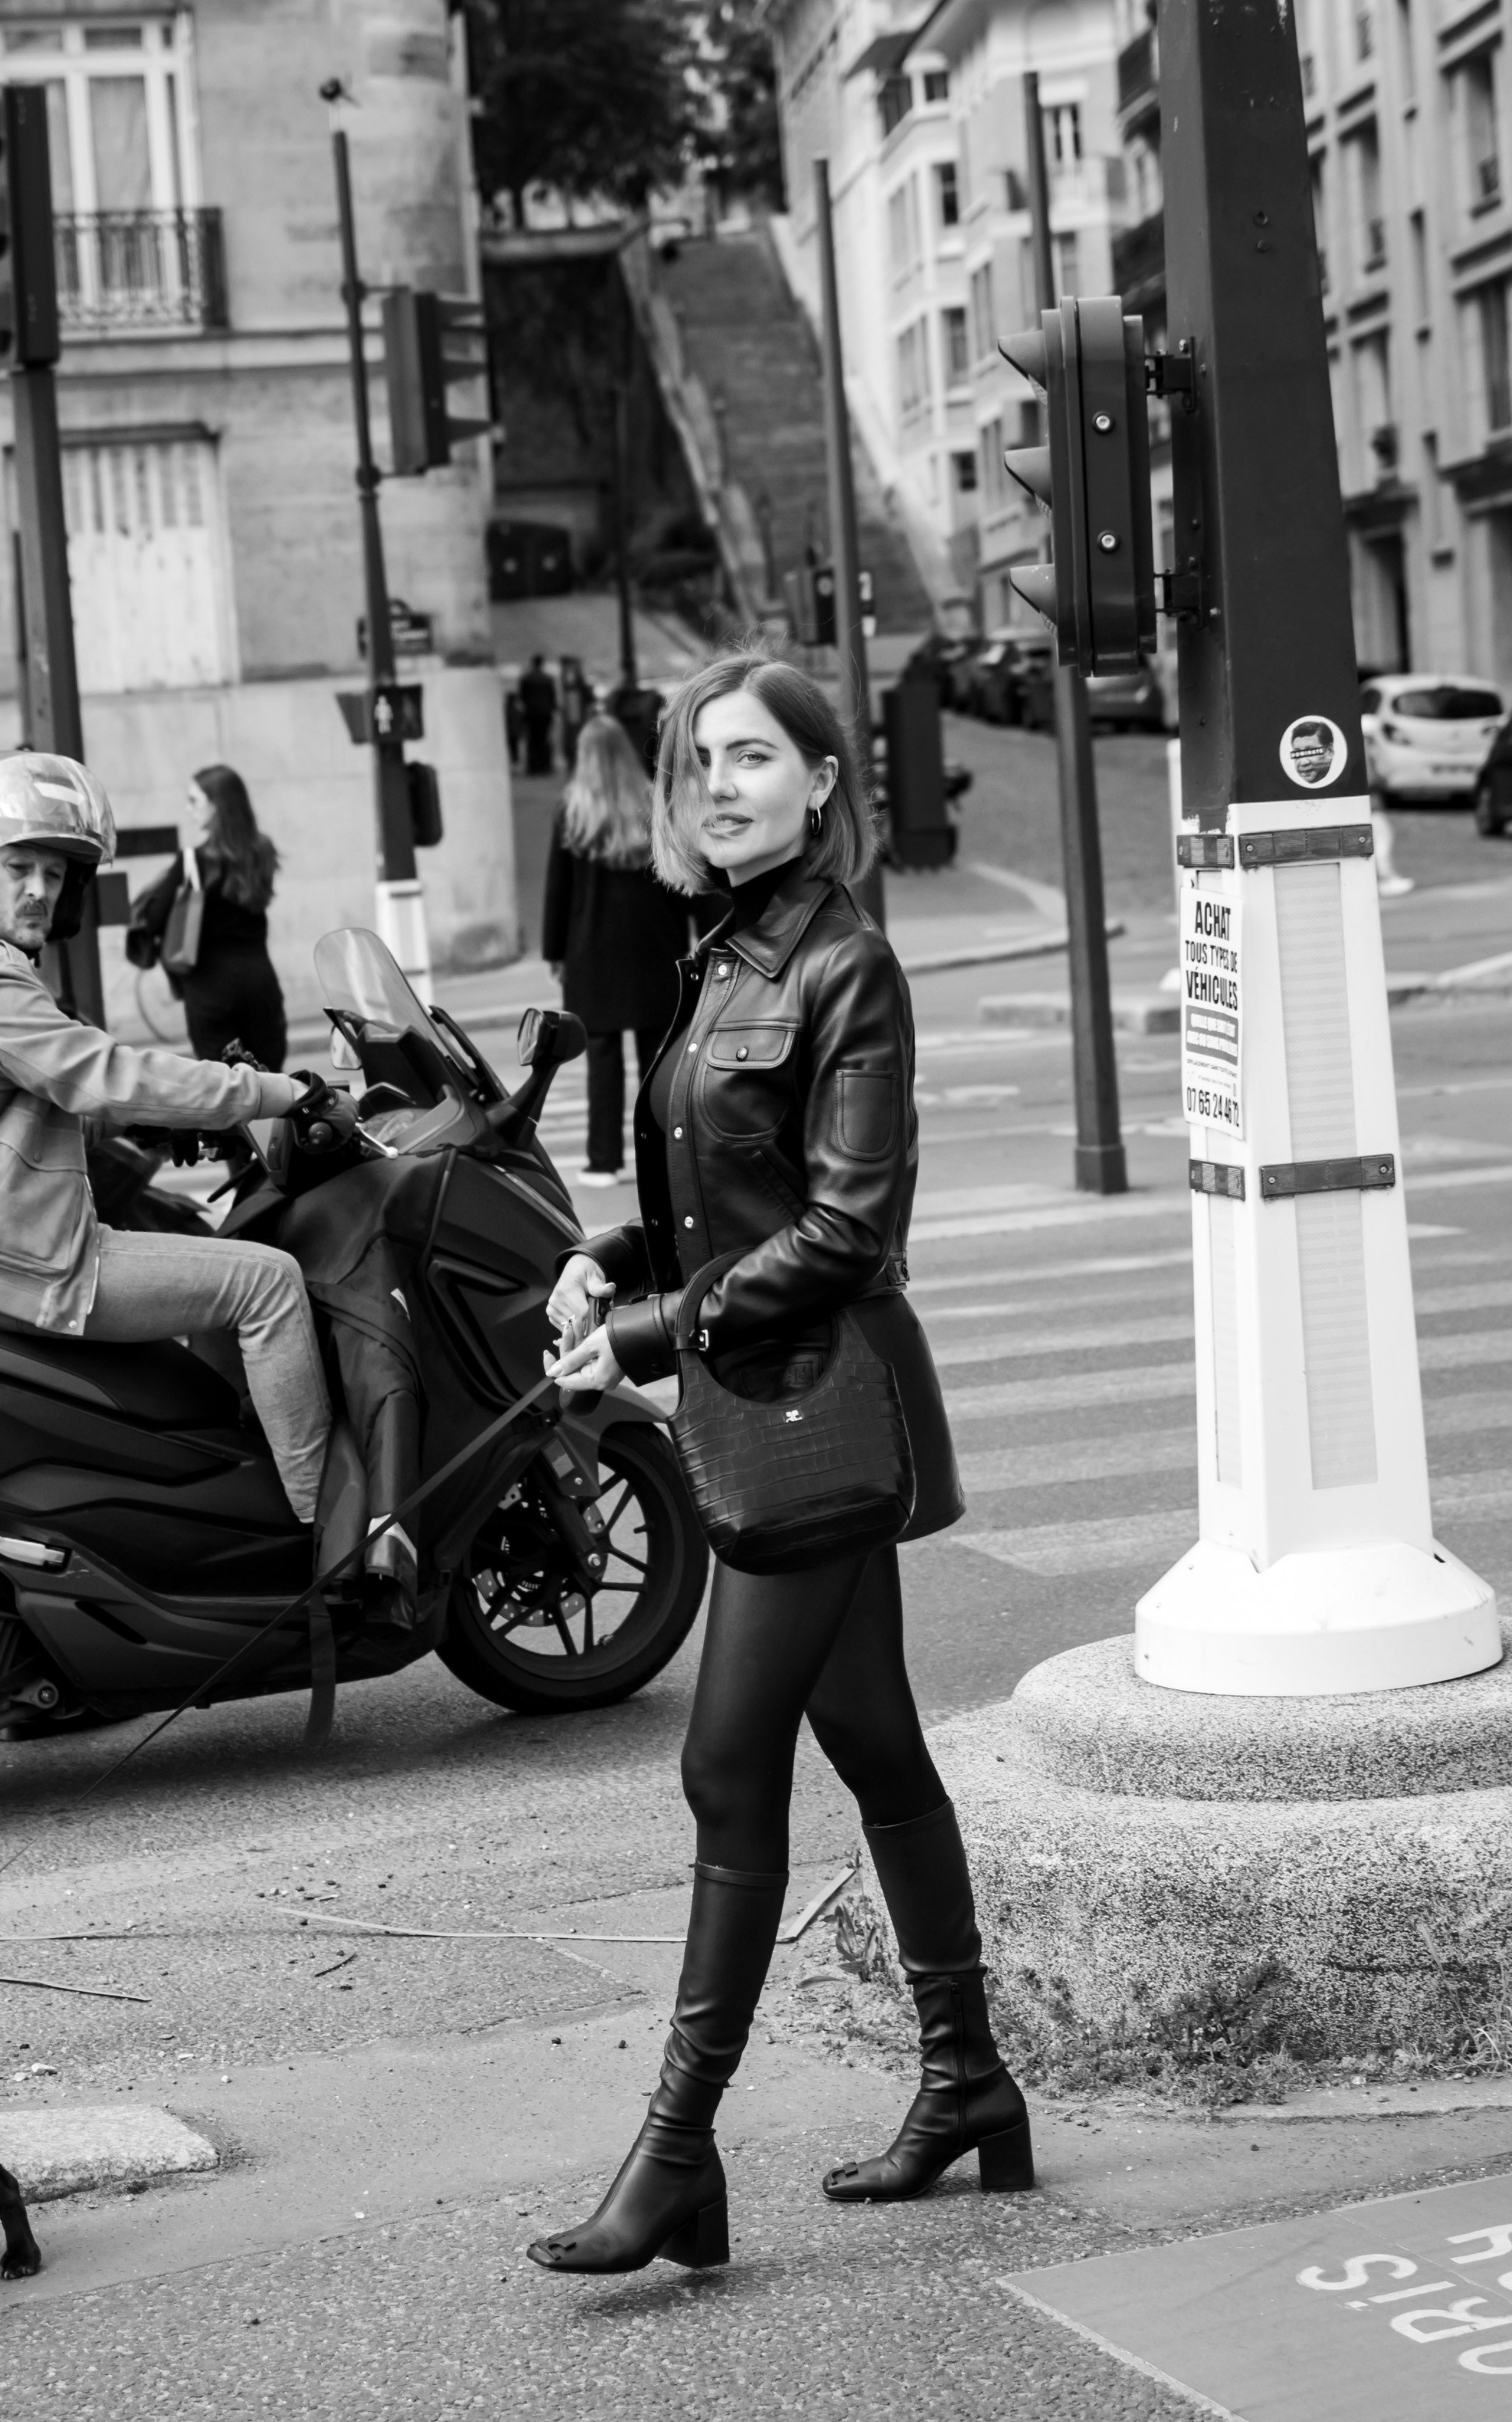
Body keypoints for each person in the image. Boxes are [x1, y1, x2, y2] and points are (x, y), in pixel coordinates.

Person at [531, 646, 1022, 2278]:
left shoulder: (843, 962)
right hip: (759, 1394)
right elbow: (718, 1188)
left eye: (750, 756)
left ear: (821, 780)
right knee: (875, 1743)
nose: (717, 784)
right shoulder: (722, 947)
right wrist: (607, 1257)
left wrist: (649, 1331)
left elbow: (845, 1226)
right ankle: (967, 2075)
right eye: (699, 761)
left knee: (727, 1769)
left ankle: (676, 2155)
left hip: (816, 1407)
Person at [0, 751, 332, 1528]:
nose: (39, 889)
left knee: (196, 1253)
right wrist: (278, 1092)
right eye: (18, 866)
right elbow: (108, 1073)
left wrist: (157, 1118)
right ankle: (328, 1531)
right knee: (267, 1282)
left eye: (56, 873)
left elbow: (23, 1096)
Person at [541, 715, 693, 1189]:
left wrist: (554, 952)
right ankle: (662, 1157)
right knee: (658, 1060)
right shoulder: (651, 804)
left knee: (602, 1062)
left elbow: (558, 890)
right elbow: (680, 880)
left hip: (592, 952)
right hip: (655, 946)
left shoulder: (572, 811)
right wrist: (698, 936)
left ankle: (604, 1161)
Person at [125, 765, 289, 1069]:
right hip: (261, 986)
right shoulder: (262, 851)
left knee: (224, 1084)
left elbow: (155, 920)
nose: (189, 809)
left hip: (210, 990)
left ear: (216, 805)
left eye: (194, 801)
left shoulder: (193, 861)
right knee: (271, 1082)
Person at [516, 653, 558, 776]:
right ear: (542, 664)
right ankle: (545, 766)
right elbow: (552, 698)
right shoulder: (548, 679)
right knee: (544, 739)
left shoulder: (526, 678)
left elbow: (522, 697)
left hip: (531, 713)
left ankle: (533, 766)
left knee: (532, 740)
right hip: (545, 713)